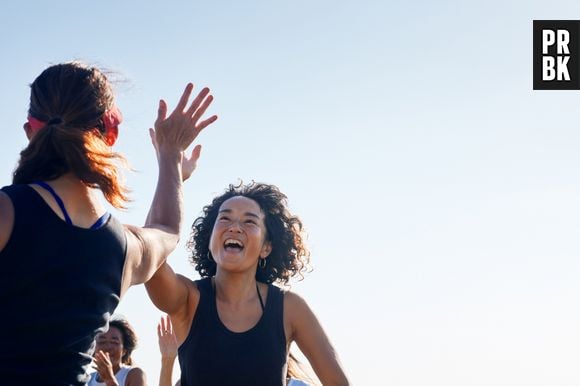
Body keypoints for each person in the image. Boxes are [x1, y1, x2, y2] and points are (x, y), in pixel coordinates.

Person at [0, 62, 217, 385]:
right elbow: (166, 229)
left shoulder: (7, 211)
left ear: (31, 132)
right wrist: (170, 155)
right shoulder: (123, 247)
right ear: (110, 134)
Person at [145, 182, 350, 386]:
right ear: (210, 238)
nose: (234, 227)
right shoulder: (189, 298)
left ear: (266, 248)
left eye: (249, 222)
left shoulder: (290, 308)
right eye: (225, 218)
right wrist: (172, 166)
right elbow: (148, 254)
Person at [89, 318, 146, 386]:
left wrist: (109, 379)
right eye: (102, 342)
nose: (108, 347)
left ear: (124, 350)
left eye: (114, 342)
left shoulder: (134, 374)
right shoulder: (88, 379)